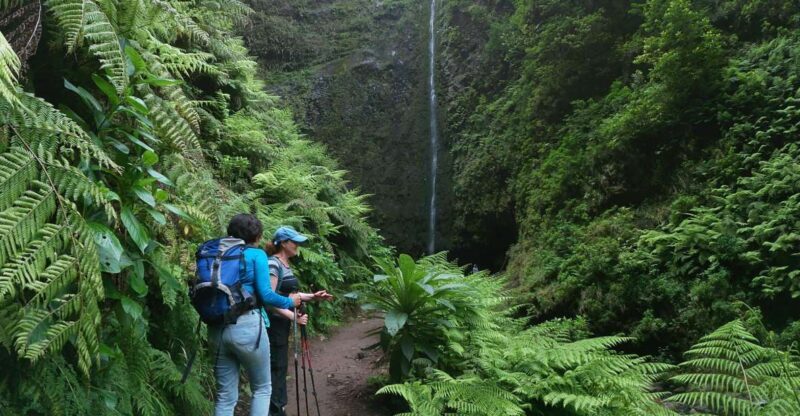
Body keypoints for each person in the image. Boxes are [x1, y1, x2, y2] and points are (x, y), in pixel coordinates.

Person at [210, 214, 317, 416]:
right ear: (256, 235)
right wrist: (290, 302)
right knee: (262, 388)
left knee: (225, 396)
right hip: (247, 327)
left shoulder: (215, 253)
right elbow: (267, 295)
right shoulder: (256, 254)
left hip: (216, 327)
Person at [265, 226, 333, 416]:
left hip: (281, 324)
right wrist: (292, 316)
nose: (298, 246)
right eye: (294, 242)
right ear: (284, 243)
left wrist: (313, 296)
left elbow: (290, 295)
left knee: (280, 367)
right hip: (273, 325)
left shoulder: (285, 264)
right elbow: (268, 299)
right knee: (276, 368)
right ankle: (275, 410)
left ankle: (279, 408)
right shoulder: (273, 264)